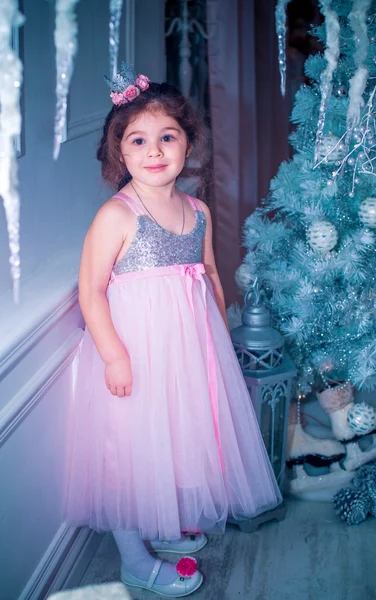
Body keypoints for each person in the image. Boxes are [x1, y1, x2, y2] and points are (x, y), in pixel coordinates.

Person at [64, 63, 282, 597]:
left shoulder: (199, 211)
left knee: (176, 436)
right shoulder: (118, 216)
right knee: (130, 448)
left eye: (168, 137)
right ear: (120, 152)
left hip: (187, 352)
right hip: (135, 353)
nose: (154, 150)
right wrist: (114, 355)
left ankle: (164, 523)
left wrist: (217, 336)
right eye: (138, 140)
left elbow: (208, 274)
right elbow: (91, 290)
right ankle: (134, 558)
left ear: (188, 144)